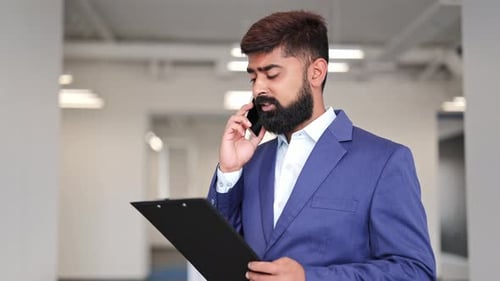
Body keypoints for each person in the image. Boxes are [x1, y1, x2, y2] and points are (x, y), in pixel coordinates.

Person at [207, 10, 436, 281]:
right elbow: (223, 252)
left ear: (316, 72)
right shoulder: (252, 160)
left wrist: (310, 278)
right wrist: (230, 170)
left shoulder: (385, 161)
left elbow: (415, 272)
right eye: (253, 77)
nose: (258, 89)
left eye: (272, 74)